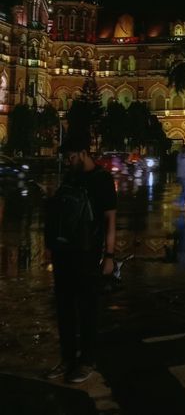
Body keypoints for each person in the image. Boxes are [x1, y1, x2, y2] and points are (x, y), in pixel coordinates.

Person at [45, 132, 117, 383]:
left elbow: (110, 219)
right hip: (64, 252)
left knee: (87, 310)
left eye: (72, 156)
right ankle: (67, 359)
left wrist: (109, 255)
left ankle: (87, 360)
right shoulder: (70, 177)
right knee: (64, 310)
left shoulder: (102, 180)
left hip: (88, 254)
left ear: (85, 153)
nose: (68, 161)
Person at [175, 143, 185, 210]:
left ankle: (181, 203)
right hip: (182, 176)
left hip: (184, 175)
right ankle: (179, 202)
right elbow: (181, 162)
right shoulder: (181, 155)